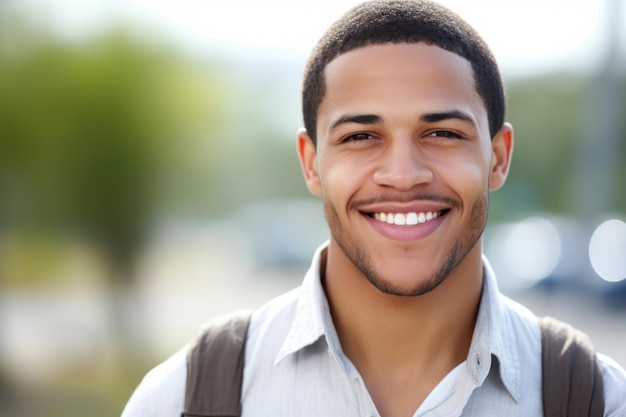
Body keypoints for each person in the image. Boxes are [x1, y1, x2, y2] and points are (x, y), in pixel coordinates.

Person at [121, 1, 626, 416]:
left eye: (443, 134)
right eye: (361, 136)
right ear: (312, 163)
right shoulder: (184, 399)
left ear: (498, 157)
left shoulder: (596, 399)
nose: (403, 174)